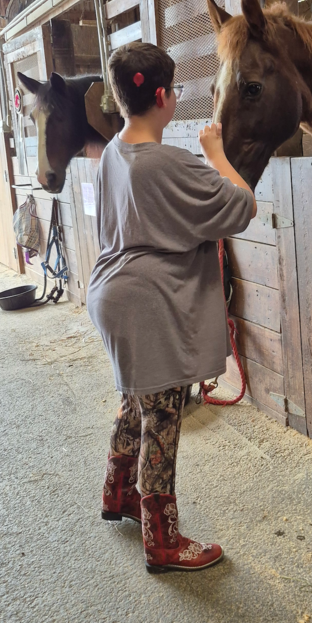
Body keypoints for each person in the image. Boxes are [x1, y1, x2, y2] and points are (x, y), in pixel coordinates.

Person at [87, 42, 256, 573]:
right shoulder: (168, 161)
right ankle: (163, 541)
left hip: (110, 294)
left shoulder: (113, 151)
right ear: (164, 96)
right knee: (163, 414)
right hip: (147, 303)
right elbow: (241, 206)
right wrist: (217, 153)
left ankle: (120, 493)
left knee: (136, 398)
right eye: (175, 90)